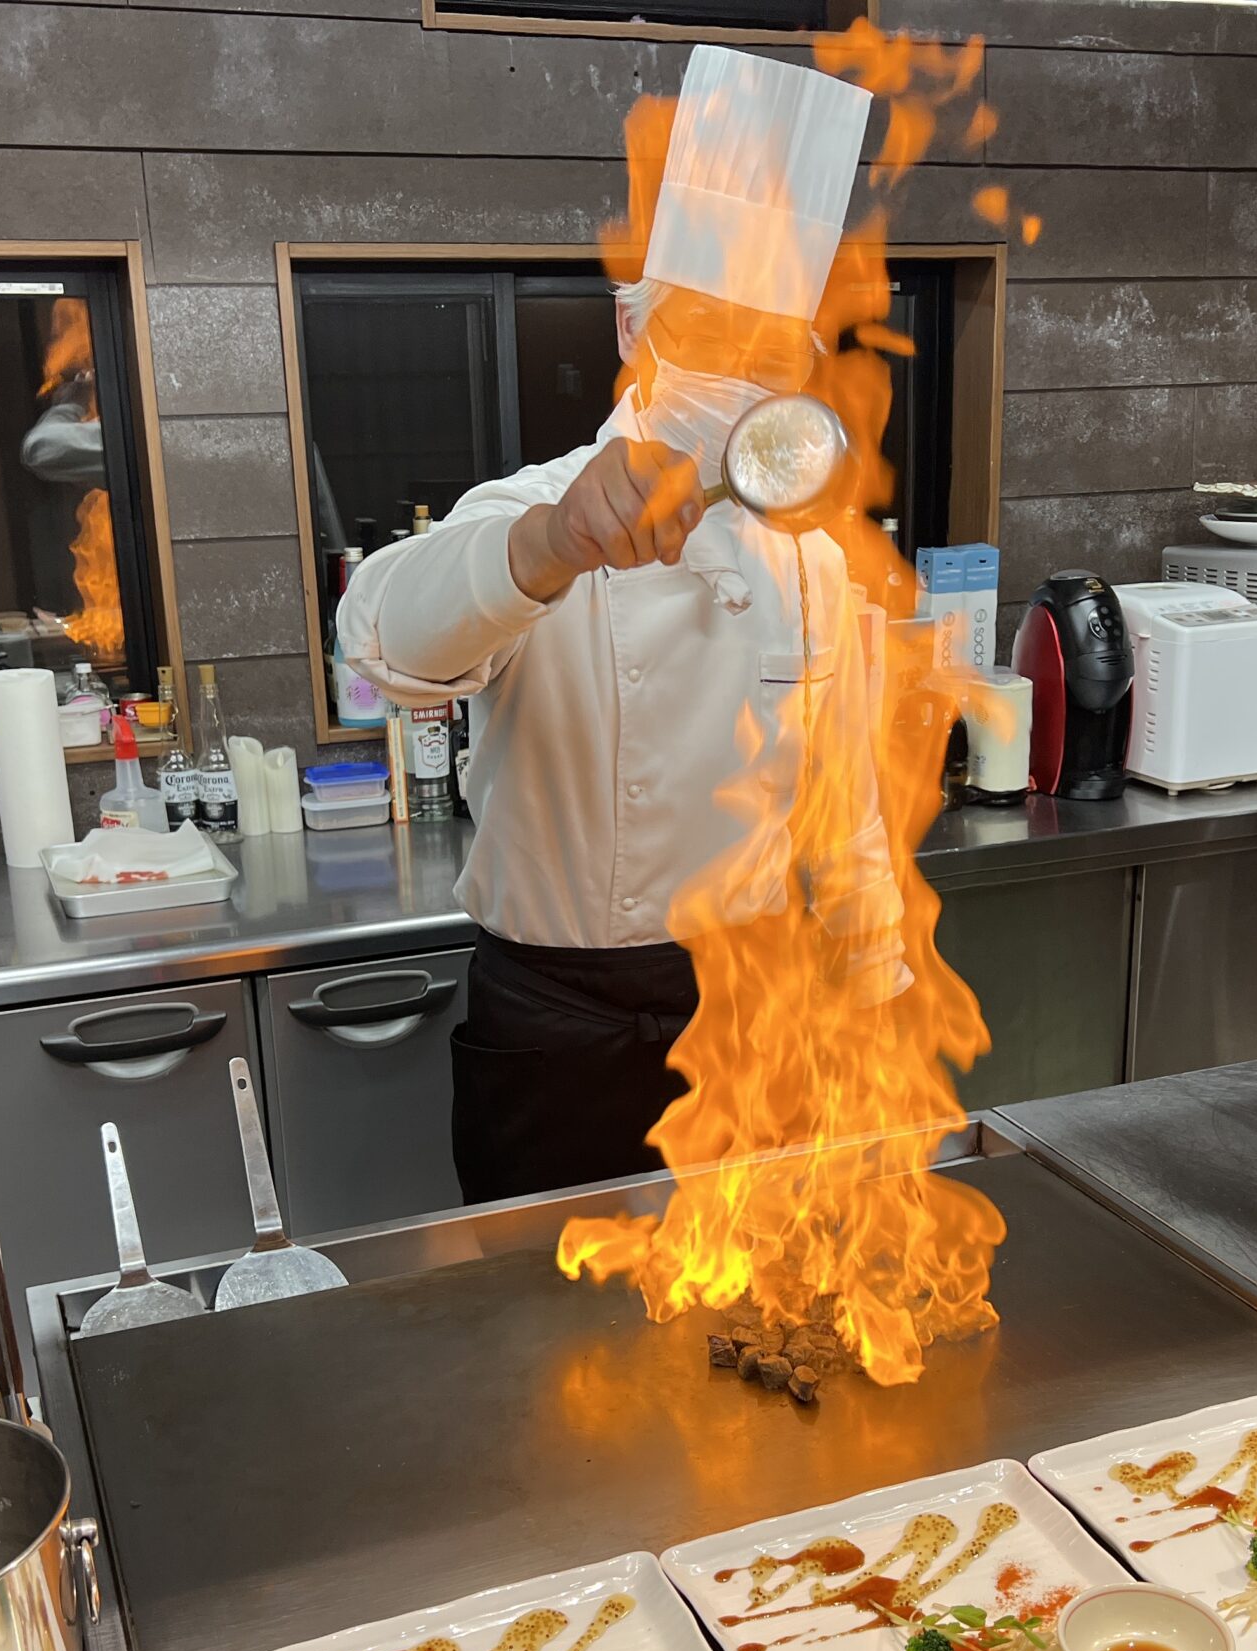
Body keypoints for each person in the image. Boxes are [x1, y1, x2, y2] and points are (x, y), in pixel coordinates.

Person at [337, 46, 894, 1205]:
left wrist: (877, 998)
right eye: (706, 331)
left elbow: (845, 811)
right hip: (556, 1029)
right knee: (545, 1312)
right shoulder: (530, 512)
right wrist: (548, 547)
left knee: (754, 1299)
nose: (734, 373)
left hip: (752, 1021)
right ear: (634, 330)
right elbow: (386, 640)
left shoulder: (811, 560)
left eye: (765, 349)